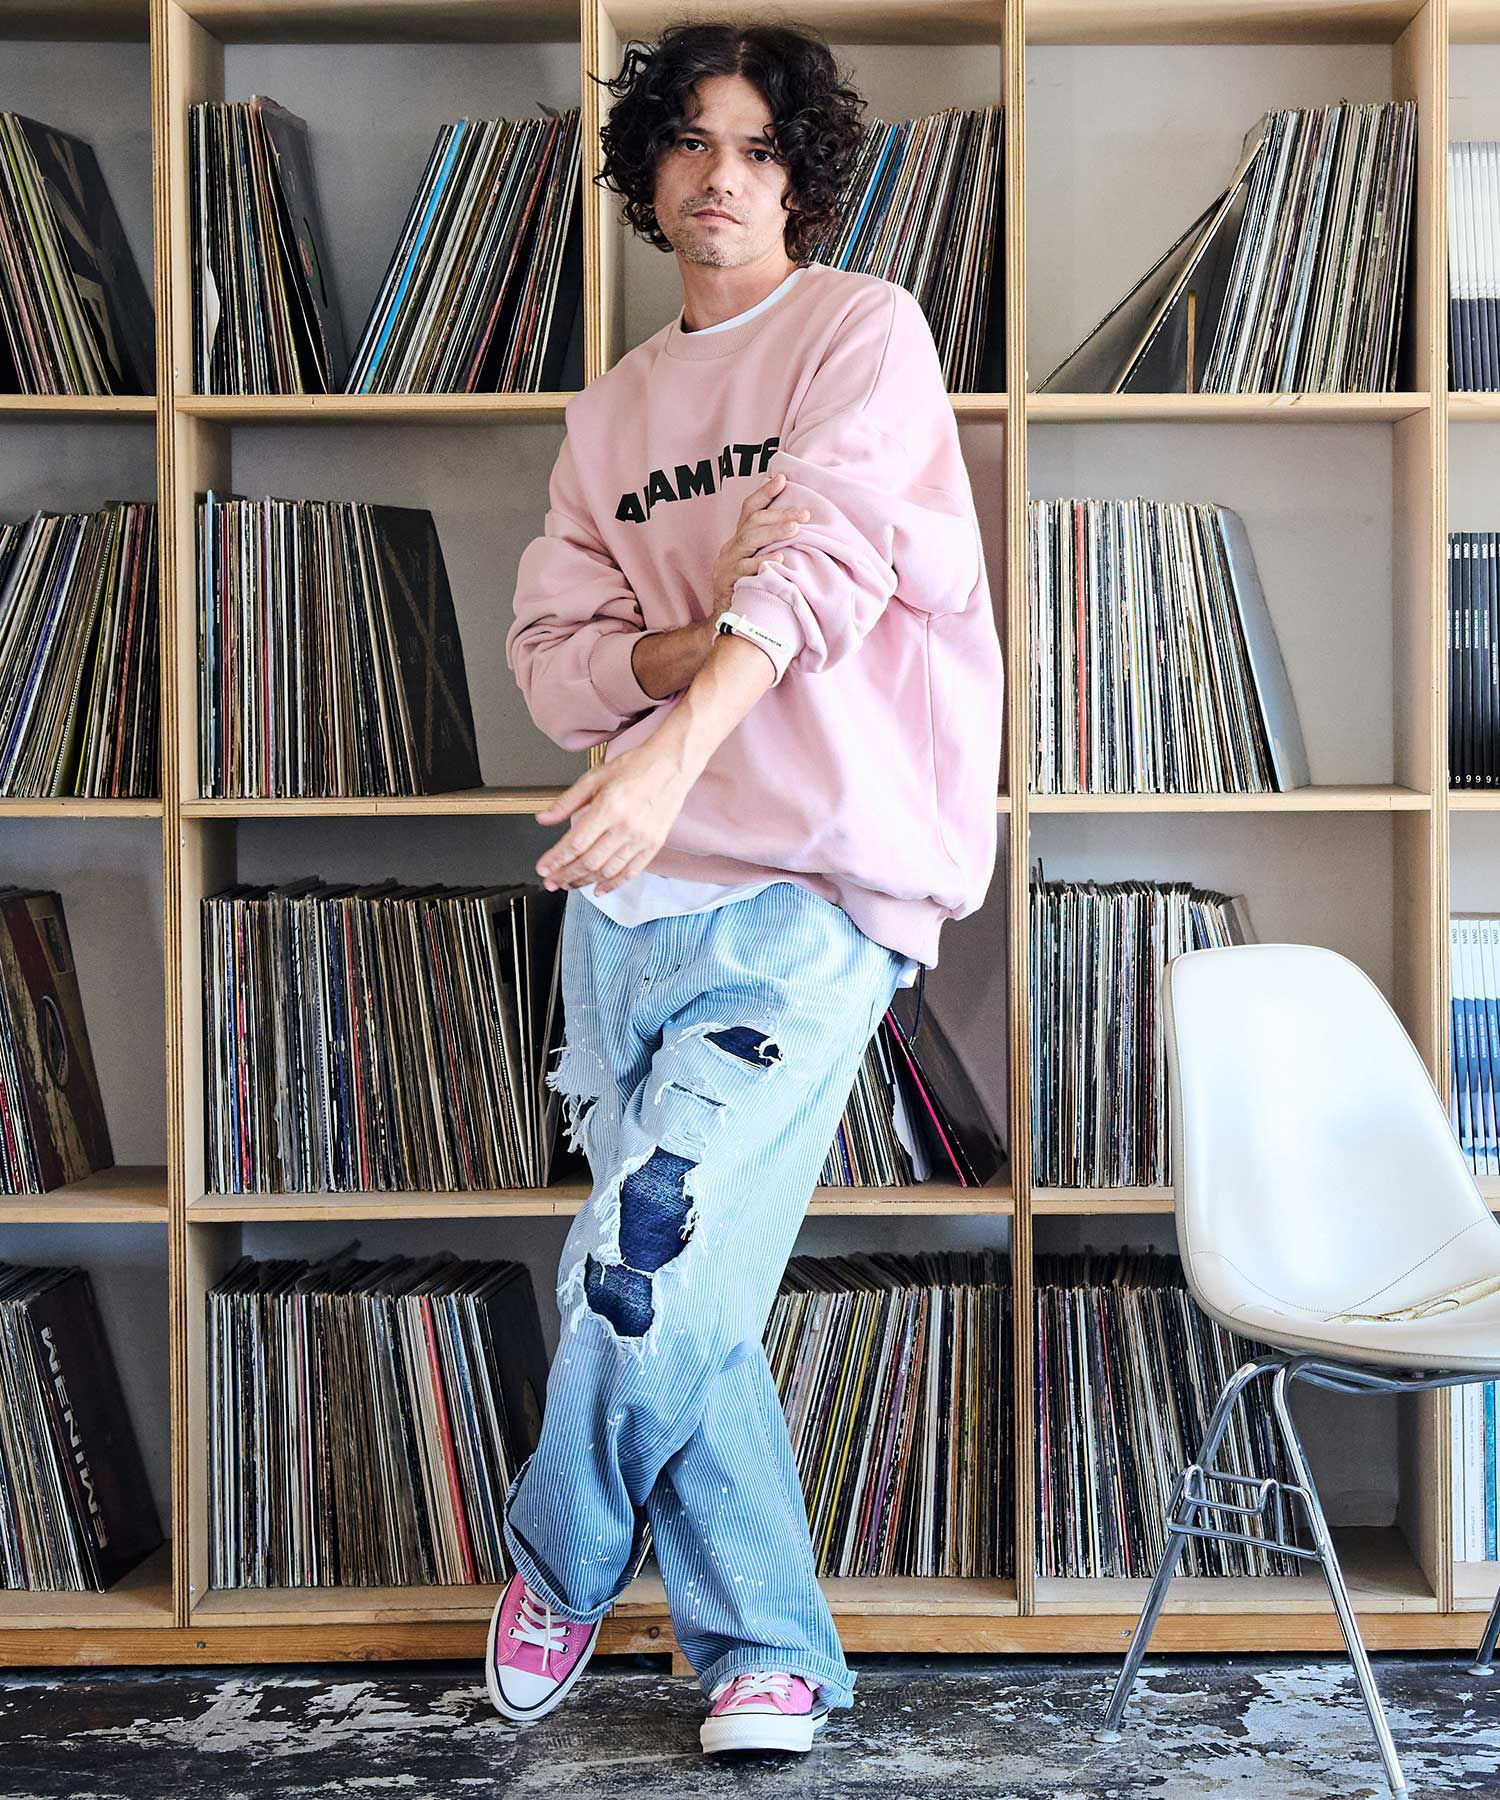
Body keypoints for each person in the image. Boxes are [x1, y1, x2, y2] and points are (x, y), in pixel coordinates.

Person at [486, 18, 1004, 1758]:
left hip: (807, 891)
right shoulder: (612, 413)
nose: (724, 176)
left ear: (803, 179)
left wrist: (673, 739)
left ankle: (559, 1553)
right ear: (648, 171)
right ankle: (766, 1651)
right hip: (626, 904)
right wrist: (676, 659)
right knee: (683, 1283)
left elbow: (823, 551)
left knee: (649, 1256)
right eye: (693, 142)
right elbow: (554, 658)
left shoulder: (863, 332)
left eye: (761, 147)